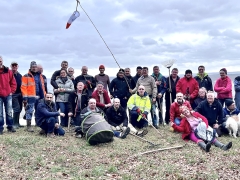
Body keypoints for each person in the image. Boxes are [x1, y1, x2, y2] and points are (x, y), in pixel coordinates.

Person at [21, 61, 46, 132]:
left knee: (39, 110)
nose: (34, 68)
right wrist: (25, 98)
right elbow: (23, 87)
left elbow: (42, 86)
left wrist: (44, 95)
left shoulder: (40, 75)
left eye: (35, 67)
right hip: (30, 97)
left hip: (40, 96)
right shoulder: (25, 76)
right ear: (30, 68)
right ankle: (28, 126)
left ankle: (37, 123)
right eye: (33, 67)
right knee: (29, 111)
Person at [0, 56, 17, 134]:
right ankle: (0, 128)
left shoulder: (8, 71)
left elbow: (13, 82)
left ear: (2, 61)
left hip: (8, 95)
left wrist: (12, 91)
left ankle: (10, 126)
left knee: (9, 112)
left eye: (0, 61)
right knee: (0, 113)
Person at [11, 62, 24, 128]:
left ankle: (17, 123)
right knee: (16, 108)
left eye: (15, 66)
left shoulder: (19, 75)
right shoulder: (9, 74)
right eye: (13, 66)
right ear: (11, 67)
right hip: (13, 94)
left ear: (17, 67)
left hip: (20, 94)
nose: (14, 67)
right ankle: (14, 124)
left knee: (20, 108)